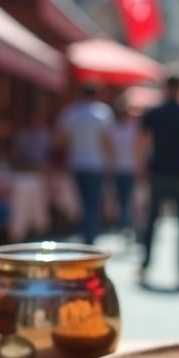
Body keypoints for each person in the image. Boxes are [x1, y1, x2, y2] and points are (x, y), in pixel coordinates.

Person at [139, 70, 179, 288]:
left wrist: (140, 167)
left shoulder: (153, 113)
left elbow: (143, 143)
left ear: (165, 88)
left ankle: (145, 265)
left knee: (152, 221)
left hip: (158, 172)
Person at [57, 83, 114, 245]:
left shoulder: (70, 112)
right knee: (92, 204)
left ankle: (86, 234)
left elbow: (60, 139)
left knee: (82, 203)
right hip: (96, 165)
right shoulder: (102, 113)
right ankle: (89, 238)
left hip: (76, 163)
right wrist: (111, 161)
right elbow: (107, 140)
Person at [107, 104, 141, 237]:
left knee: (127, 198)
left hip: (128, 168)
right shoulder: (120, 130)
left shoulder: (131, 130)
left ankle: (126, 223)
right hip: (123, 168)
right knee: (123, 198)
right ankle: (125, 223)